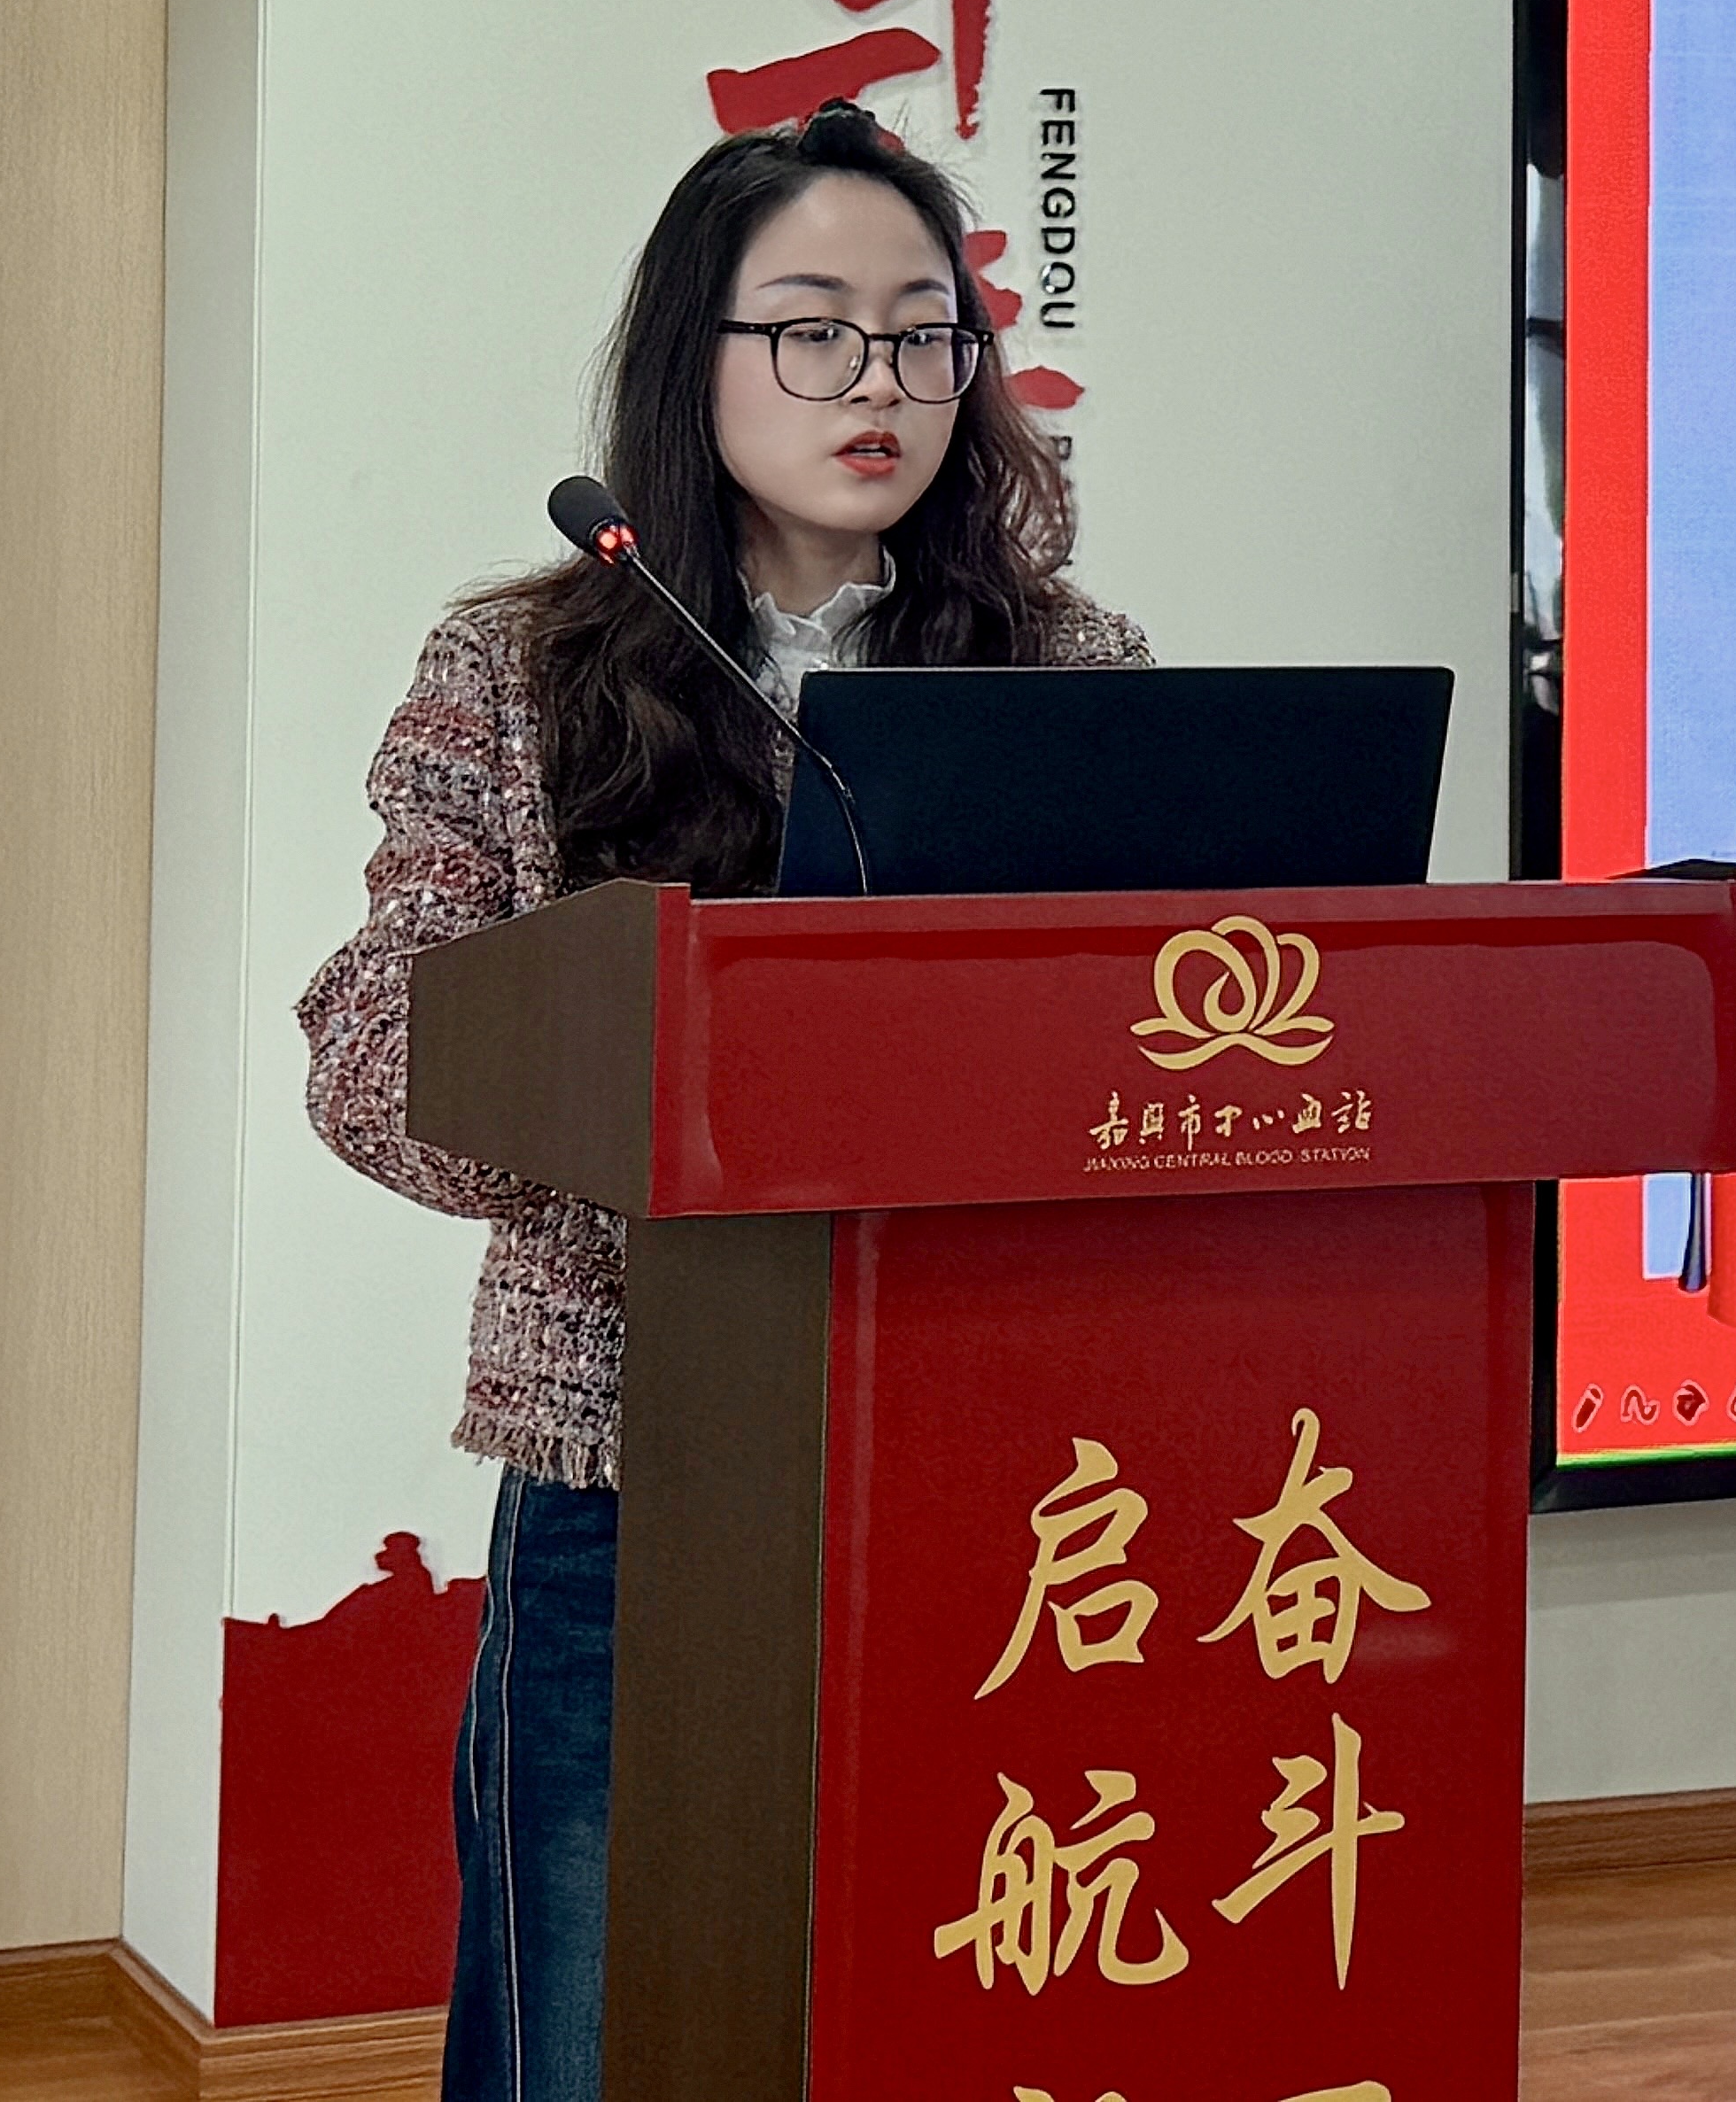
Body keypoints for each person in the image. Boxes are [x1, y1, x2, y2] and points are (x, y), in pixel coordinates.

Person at [297, 104, 1146, 2102]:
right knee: (589, 2018)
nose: (881, 382)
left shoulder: (1065, 661)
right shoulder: (523, 665)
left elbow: (1128, 1030)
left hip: (983, 1460)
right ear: (700, 357)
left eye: (925, 331)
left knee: (934, 2006)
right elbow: (367, 1047)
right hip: (636, 1455)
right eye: (815, 326)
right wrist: (612, 1063)